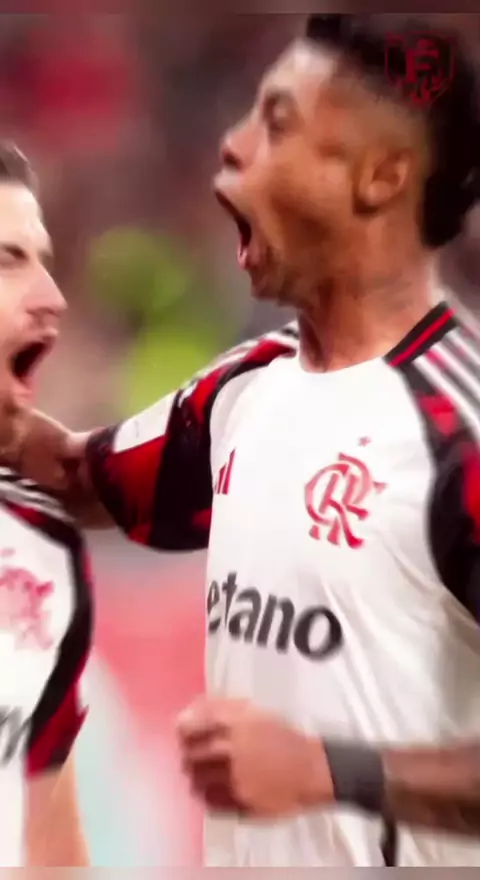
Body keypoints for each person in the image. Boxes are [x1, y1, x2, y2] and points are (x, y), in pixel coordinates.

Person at [13, 12, 480, 867]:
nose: (230, 147)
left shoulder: (459, 431)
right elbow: (77, 475)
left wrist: (326, 772)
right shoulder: (246, 391)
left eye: (277, 124)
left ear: (381, 176)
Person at [0, 143, 92, 866]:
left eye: (44, 259)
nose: (52, 296)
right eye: (9, 260)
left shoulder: (42, 547)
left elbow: (53, 856)